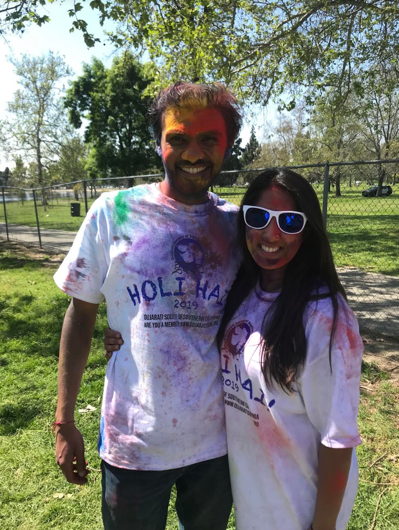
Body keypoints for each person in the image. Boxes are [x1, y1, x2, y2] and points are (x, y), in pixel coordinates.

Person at [105, 168, 364, 530]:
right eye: (258, 217)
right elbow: (187, 322)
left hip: (299, 508)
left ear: (308, 231)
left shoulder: (325, 320)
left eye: (289, 221)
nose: (271, 234)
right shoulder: (242, 290)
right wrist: (125, 331)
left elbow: (337, 441)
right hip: (251, 500)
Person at [53, 81, 243, 530]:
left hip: (217, 446)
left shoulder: (239, 228)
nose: (192, 152)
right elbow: (81, 317)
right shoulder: (113, 212)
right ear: (159, 142)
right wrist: (63, 421)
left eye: (208, 139)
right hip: (133, 443)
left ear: (226, 145)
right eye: (178, 138)